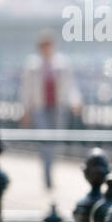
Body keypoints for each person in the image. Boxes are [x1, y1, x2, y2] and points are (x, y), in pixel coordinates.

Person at [21, 31, 82, 189]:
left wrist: (75, 101)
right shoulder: (32, 65)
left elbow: (70, 86)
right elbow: (26, 89)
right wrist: (26, 110)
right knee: (45, 141)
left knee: (55, 141)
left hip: (58, 107)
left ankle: (50, 169)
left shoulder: (62, 63)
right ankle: (47, 173)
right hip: (40, 108)